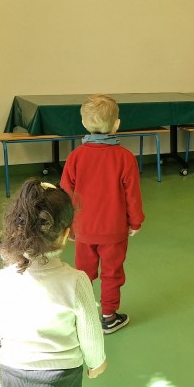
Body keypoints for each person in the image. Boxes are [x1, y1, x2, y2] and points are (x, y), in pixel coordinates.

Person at [0, 179, 107, 387]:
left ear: (16, 230)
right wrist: (96, 362)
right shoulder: (76, 280)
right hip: (61, 379)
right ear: (66, 233)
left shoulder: (0, 281)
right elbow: (90, 329)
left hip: (14, 375)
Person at [60, 94, 145, 334]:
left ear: (84, 123)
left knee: (83, 274)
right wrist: (135, 221)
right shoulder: (125, 158)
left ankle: (82, 315)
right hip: (114, 231)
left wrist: (68, 224)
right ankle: (108, 317)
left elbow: (65, 194)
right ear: (116, 124)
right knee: (112, 274)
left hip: (83, 230)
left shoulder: (76, 157)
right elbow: (132, 195)